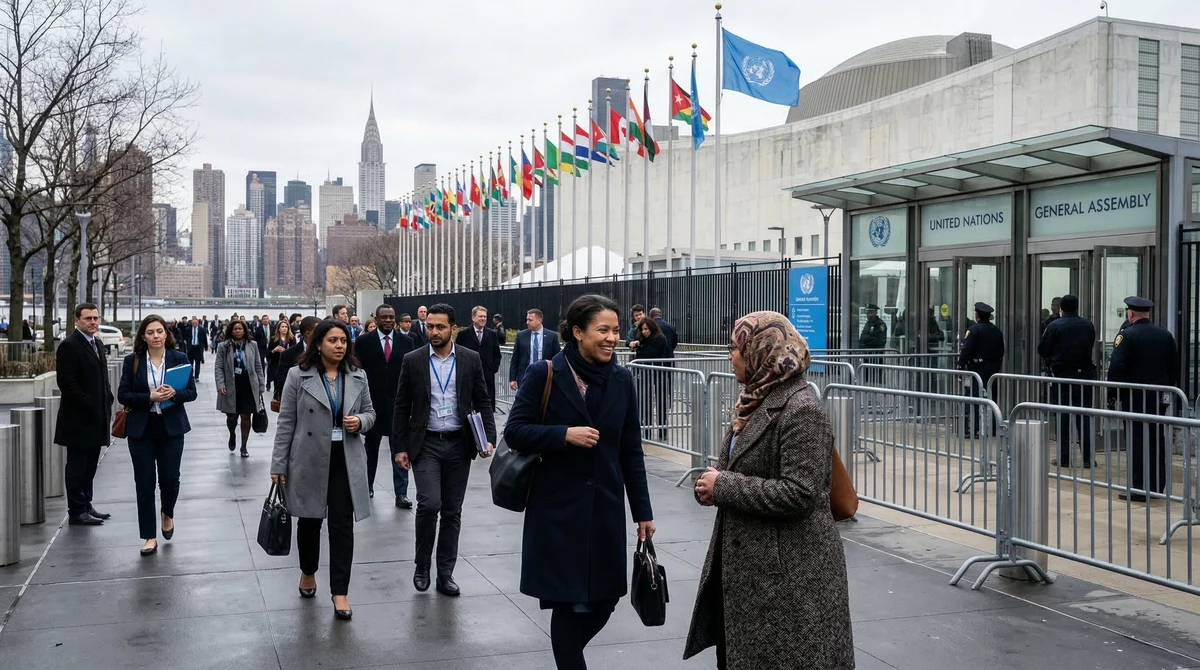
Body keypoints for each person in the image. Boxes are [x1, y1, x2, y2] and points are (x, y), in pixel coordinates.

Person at [685, 311, 854, 669]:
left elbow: (800, 492)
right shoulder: (754, 400)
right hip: (754, 573)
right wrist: (713, 484)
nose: (729, 357)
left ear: (761, 351)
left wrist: (724, 485)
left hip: (789, 579)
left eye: (734, 348)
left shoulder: (801, 409)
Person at [504, 294, 655, 669]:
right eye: (603, 330)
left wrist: (643, 512)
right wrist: (562, 434)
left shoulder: (622, 379)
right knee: (568, 604)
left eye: (616, 330)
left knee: (606, 601)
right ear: (577, 332)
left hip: (604, 509)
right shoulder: (545, 373)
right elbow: (515, 431)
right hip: (557, 512)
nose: (612, 338)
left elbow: (631, 451)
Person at [272, 319, 375, 621]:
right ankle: (308, 571)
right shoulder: (298, 375)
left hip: (345, 459)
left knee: (342, 527)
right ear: (318, 344)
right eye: (332, 340)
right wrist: (278, 464)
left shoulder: (357, 375)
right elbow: (286, 421)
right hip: (308, 458)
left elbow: (370, 412)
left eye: (343, 340)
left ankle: (340, 591)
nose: (339, 346)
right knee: (309, 522)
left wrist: (360, 422)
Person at [391, 303, 496, 598]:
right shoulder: (413, 360)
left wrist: (488, 437)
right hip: (426, 443)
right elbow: (401, 405)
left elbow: (483, 399)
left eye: (440, 327)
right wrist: (399, 448)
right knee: (429, 504)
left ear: (453, 328)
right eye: (430, 326)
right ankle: (422, 565)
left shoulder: (469, 359)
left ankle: (445, 573)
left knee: (452, 511)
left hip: (459, 444)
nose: (434, 332)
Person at [118, 315, 197, 556]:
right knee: (144, 483)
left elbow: (191, 392)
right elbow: (123, 394)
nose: (156, 336)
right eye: (150, 332)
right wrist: (149, 398)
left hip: (171, 427)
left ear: (166, 333)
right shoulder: (133, 361)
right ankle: (149, 536)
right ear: (143, 336)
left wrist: (174, 394)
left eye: (159, 331)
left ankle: (167, 512)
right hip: (141, 428)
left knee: (170, 479)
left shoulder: (179, 358)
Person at [1107, 296, 1178, 502]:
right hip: (1158, 395)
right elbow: (1173, 366)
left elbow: (1116, 367)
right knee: (1156, 439)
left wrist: (1112, 394)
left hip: (1135, 396)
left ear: (1130, 314)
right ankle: (1156, 486)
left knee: (1137, 440)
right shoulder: (1165, 335)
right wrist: (1167, 389)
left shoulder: (1127, 335)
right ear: (1147, 314)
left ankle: (1139, 487)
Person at [55, 303, 115, 526]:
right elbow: (67, 383)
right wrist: (88, 404)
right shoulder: (69, 345)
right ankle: (76, 510)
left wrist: (107, 398)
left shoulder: (97, 343)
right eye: (88, 318)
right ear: (77, 320)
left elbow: (102, 377)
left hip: (97, 418)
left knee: (90, 466)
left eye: (96, 318)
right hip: (78, 419)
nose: (93, 322)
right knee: (77, 467)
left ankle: (87, 504)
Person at [356, 304, 415, 505]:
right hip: (372, 404)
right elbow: (357, 371)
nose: (388, 320)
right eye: (384, 317)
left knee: (399, 448)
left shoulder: (407, 341)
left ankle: (401, 493)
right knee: (370, 448)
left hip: (398, 405)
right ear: (376, 319)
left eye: (391, 317)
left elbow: (412, 372)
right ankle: (367, 487)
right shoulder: (363, 342)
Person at [1038, 294, 1097, 468]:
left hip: (1061, 376)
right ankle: (1087, 459)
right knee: (1084, 416)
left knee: (1062, 416)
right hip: (1084, 376)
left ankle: (1064, 458)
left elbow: (1043, 350)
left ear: (1061, 309)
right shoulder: (1088, 325)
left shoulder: (1054, 325)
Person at [214, 319, 266, 457]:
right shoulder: (223, 346)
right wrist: (220, 384)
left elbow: (258, 366)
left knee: (246, 416)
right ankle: (232, 434)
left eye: (240, 329)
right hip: (231, 384)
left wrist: (261, 384)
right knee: (232, 417)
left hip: (248, 384)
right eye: (235, 329)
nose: (238, 331)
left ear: (245, 330)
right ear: (231, 330)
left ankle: (244, 446)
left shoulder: (252, 345)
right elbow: (218, 367)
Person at [958, 302, 1005, 438]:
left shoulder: (974, 330)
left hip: (977, 368)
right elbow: (1001, 351)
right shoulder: (996, 330)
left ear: (977, 315)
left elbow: (966, 350)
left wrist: (961, 366)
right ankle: (993, 428)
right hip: (993, 368)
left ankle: (974, 428)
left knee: (974, 397)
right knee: (991, 397)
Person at [454, 306, 502, 412]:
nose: (483, 319)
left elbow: (497, 354)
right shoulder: (463, 334)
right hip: (468, 377)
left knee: (487, 409)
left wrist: (493, 369)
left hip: (487, 378)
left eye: (485, 316)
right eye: (480, 316)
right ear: (473, 318)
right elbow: (457, 354)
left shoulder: (492, 334)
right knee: (468, 409)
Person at [633, 317, 671, 440]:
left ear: (652, 328)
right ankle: (647, 432)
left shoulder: (660, 339)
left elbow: (651, 354)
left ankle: (662, 431)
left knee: (661, 403)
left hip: (659, 374)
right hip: (646, 375)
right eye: (642, 329)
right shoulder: (642, 340)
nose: (644, 332)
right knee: (645, 403)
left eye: (646, 329)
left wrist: (639, 347)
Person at [509, 309, 561, 390]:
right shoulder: (521, 336)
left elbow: (557, 358)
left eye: (530, 320)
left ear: (539, 320)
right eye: (527, 319)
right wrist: (512, 379)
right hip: (525, 377)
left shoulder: (552, 336)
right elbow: (515, 358)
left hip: (545, 378)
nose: (527, 322)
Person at [275, 316, 321, 403]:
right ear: (308, 333)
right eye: (319, 332)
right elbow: (281, 380)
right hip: (298, 401)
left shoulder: (325, 352)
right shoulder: (288, 354)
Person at [267, 320, 297, 394]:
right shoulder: (274, 339)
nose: (284, 328)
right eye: (282, 327)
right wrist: (274, 350)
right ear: (279, 328)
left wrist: (286, 351)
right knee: (277, 386)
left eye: (286, 327)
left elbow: (295, 353)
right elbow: (268, 354)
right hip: (276, 365)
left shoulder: (292, 339)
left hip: (288, 365)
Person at [182, 316, 208, 382]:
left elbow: (204, 339)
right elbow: (185, 337)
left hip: (198, 348)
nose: (194, 324)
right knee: (190, 363)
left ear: (198, 323)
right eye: (193, 323)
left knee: (197, 363)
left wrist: (206, 346)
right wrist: (186, 342)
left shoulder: (202, 329)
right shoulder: (188, 329)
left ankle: (197, 376)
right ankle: (191, 376)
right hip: (191, 347)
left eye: (195, 323)